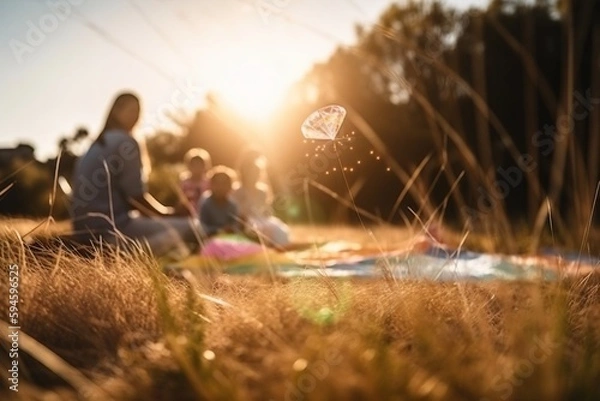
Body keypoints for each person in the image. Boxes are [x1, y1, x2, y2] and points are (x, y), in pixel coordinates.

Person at [70, 92, 198, 258]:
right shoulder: (126, 142)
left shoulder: (95, 145)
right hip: (111, 233)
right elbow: (136, 198)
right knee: (193, 227)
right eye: (131, 110)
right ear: (115, 111)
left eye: (138, 111)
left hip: (83, 233)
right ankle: (133, 255)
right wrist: (169, 214)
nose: (136, 116)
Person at [231, 151, 290, 247]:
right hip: (246, 221)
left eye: (255, 172)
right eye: (250, 173)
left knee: (276, 228)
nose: (252, 176)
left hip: (262, 219)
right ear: (243, 173)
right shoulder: (238, 191)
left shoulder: (262, 191)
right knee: (255, 228)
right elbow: (236, 212)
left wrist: (264, 217)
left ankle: (275, 247)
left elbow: (266, 210)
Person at [199, 166, 240, 237]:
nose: (220, 187)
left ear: (230, 186)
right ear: (211, 185)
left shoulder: (232, 205)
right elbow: (202, 226)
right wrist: (219, 231)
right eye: (217, 184)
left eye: (224, 184)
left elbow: (234, 225)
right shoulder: (205, 203)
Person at [176, 148, 211, 216]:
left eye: (200, 165)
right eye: (194, 165)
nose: (197, 168)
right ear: (189, 165)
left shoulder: (208, 182)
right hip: (187, 215)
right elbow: (181, 200)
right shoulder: (184, 182)